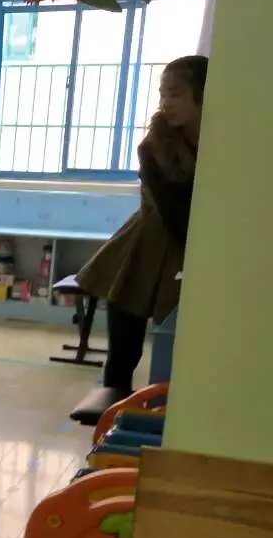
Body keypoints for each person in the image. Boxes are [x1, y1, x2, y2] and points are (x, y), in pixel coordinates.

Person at [73, 55, 207, 423]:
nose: (166, 103)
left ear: (203, 96)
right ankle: (112, 427)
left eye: (176, 94)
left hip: (188, 249)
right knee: (123, 354)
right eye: (162, 94)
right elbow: (177, 215)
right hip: (143, 250)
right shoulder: (155, 146)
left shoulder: (223, 142)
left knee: (180, 352)